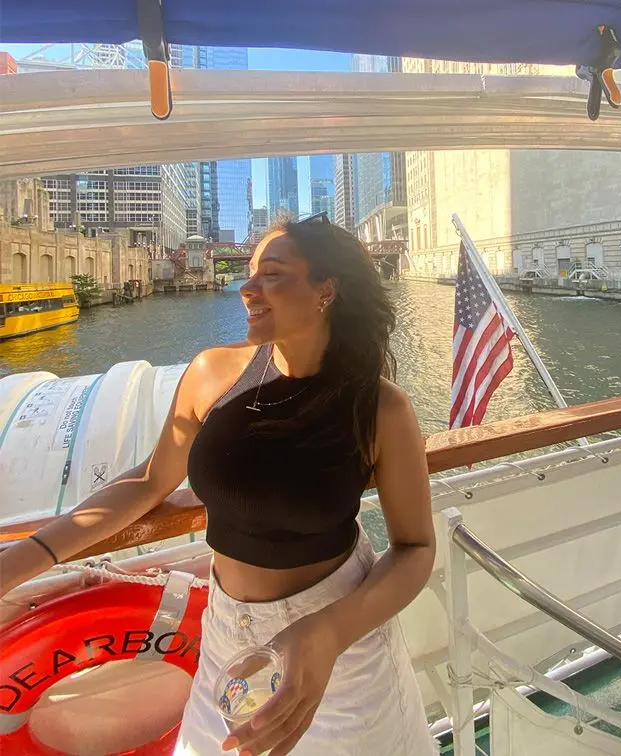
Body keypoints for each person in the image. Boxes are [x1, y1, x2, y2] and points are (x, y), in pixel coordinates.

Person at [0, 215, 438, 756]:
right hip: (225, 630)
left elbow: (415, 548)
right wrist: (27, 557)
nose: (247, 288)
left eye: (272, 274)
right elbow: (149, 480)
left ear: (327, 289)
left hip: (339, 643)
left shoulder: (379, 407)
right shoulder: (212, 373)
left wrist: (329, 632)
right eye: (249, 273)